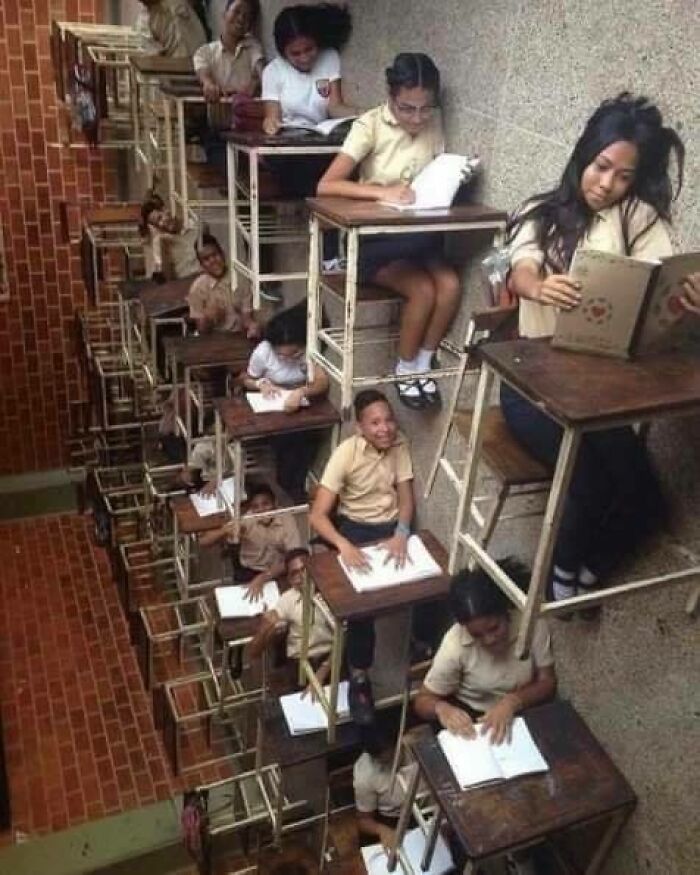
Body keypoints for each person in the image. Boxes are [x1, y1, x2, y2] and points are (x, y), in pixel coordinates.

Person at [503, 92, 700, 613]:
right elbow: (520, 268)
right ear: (583, 154)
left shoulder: (636, 216)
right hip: (534, 381)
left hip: (602, 389)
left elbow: (666, 274)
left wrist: (689, 296)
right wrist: (539, 287)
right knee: (586, 479)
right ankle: (561, 579)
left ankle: (585, 571)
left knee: (646, 498)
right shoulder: (539, 212)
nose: (606, 185)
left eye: (623, 176)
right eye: (601, 167)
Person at [317, 53, 461, 410]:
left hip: (418, 234)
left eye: (425, 109)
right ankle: (403, 368)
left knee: (451, 286)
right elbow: (327, 185)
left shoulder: (435, 122)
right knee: (423, 290)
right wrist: (383, 192)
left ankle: (422, 364)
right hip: (376, 239)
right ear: (390, 96)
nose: (416, 118)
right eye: (406, 108)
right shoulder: (369, 125)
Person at [309, 389, 415, 726]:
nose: (385, 429)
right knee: (361, 607)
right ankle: (359, 678)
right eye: (375, 423)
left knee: (430, 583)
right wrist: (343, 544)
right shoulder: (345, 454)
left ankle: (422, 651)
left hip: (391, 529)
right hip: (356, 529)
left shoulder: (400, 445)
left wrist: (401, 533)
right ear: (360, 428)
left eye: (388, 420)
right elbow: (317, 516)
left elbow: (406, 497)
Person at [414, 559, 557, 744]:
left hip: (523, 708)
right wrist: (443, 709)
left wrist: (512, 702)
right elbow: (422, 701)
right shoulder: (455, 645)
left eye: (494, 628)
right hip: (471, 718)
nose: (489, 640)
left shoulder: (531, 625)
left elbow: (548, 682)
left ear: (505, 612)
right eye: (477, 635)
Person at [242, 303, 330, 503]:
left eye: (294, 354)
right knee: (285, 446)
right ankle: (289, 487)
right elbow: (245, 378)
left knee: (304, 441)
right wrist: (261, 383)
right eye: (281, 355)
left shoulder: (309, 349)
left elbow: (321, 381)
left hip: (301, 408)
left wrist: (301, 391)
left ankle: (295, 486)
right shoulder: (263, 352)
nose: (287, 359)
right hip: (273, 410)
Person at [248, 548, 334, 693]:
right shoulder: (288, 599)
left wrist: (321, 674)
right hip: (300, 664)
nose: (302, 577)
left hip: (330, 661)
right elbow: (254, 652)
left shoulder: (332, 595)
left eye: (305, 569)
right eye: (295, 574)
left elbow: (345, 638)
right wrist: (266, 628)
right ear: (290, 580)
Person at [261, 3, 354, 137]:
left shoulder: (329, 57)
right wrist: (270, 124)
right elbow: (272, 116)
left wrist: (363, 114)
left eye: (309, 49)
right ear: (283, 53)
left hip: (321, 138)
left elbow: (335, 107)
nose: (304, 58)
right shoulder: (272, 71)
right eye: (295, 53)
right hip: (286, 143)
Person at [193, 0, 264, 173]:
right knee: (227, 166)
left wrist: (255, 84)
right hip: (218, 128)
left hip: (247, 130)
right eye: (237, 12)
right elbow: (204, 74)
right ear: (224, 15)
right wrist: (210, 85)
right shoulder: (205, 52)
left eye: (247, 17)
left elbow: (261, 70)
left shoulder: (252, 47)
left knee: (259, 167)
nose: (241, 19)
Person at [201, 482, 302, 593]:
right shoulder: (247, 520)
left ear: (275, 503)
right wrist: (224, 531)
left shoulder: (287, 519)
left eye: (266, 504)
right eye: (256, 507)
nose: (262, 510)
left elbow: (293, 556)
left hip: (278, 571)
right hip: (249, 570)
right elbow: (204, 541)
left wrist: (264, 577)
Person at [353, 723, 417, 850]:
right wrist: (382, 830)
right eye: (381, 760)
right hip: (394, 819)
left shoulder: (416, 744)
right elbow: (363, 820)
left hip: (425, 809)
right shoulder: (365, 775)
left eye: (392, 757)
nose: (390, 764)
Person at [187, 233, 260, 336]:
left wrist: (252, 326)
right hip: (213, 339)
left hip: (239, 336)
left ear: (223, 254)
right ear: (201, 265)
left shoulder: (241, 279)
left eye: (215, 255)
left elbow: (246, 317)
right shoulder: (196, 289)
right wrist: (208, 318)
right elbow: (202, 331)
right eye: (206, 259)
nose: (213, 261)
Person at [140, 192, 202, 281]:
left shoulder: (194, 225)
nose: (161, 224)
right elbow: (164, 275)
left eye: (160, 218)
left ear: (166, 210)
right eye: (157, 225)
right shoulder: (162, 242)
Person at [137, 0, 207, 58]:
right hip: (178, 65)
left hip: (202, 52)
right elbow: (155, 54)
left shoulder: (174, 2)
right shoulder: (145, 22)